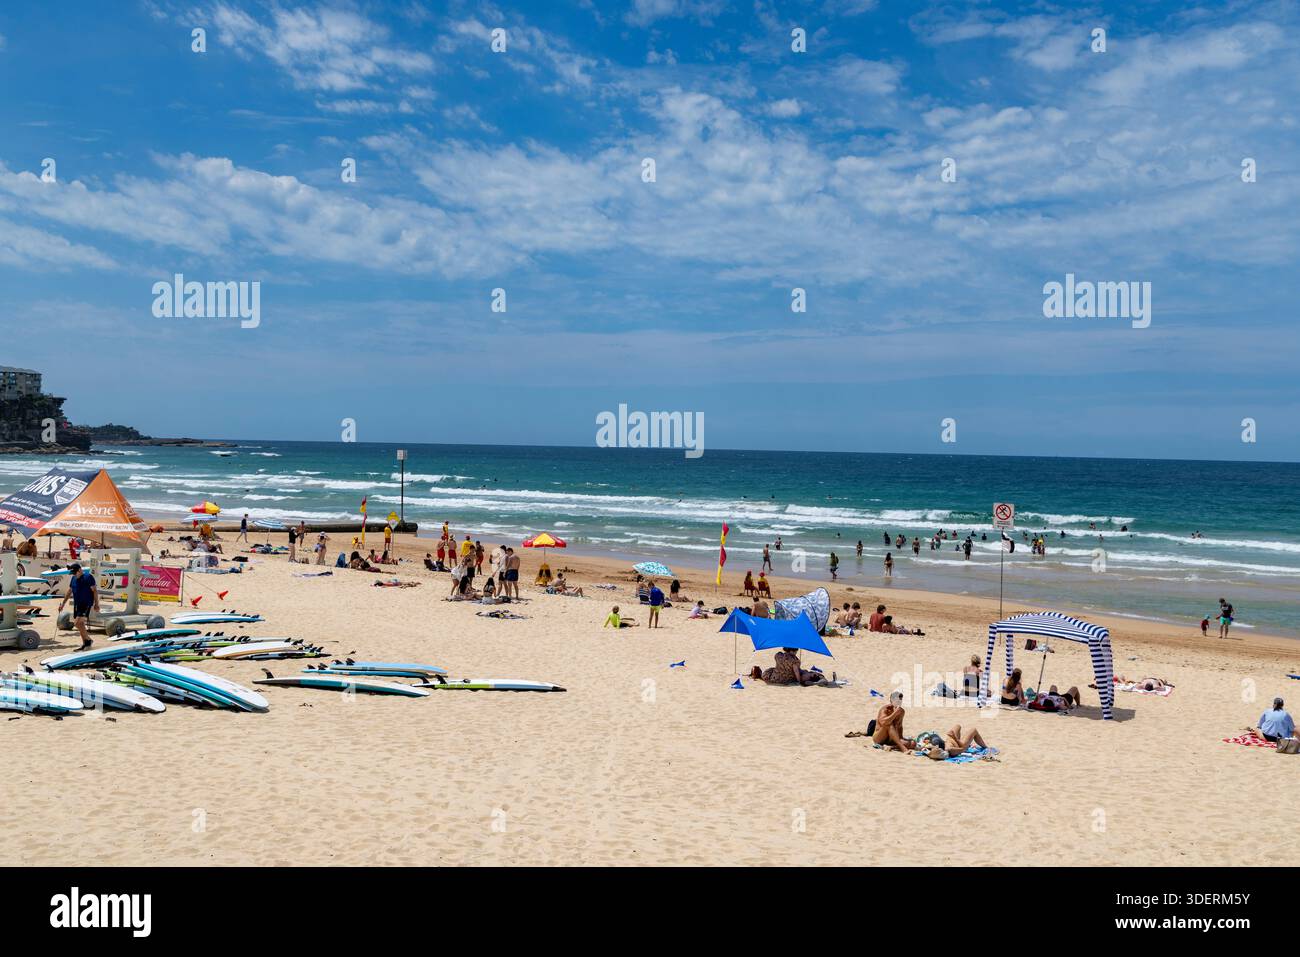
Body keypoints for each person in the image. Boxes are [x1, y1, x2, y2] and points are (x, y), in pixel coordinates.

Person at [58, 561, 99, 651]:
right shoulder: (73, 578)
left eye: (75, 573)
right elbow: (69, 591)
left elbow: (95, 591)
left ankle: (88, 640)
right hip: (77, 604)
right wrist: (63, 604)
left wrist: (96, 604)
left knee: (77, 623)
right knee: (80, 624)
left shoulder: (88, 577)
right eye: (73, 573)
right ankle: (85, 643)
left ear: (80, 570)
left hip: (86, 603)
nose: (74, 575)